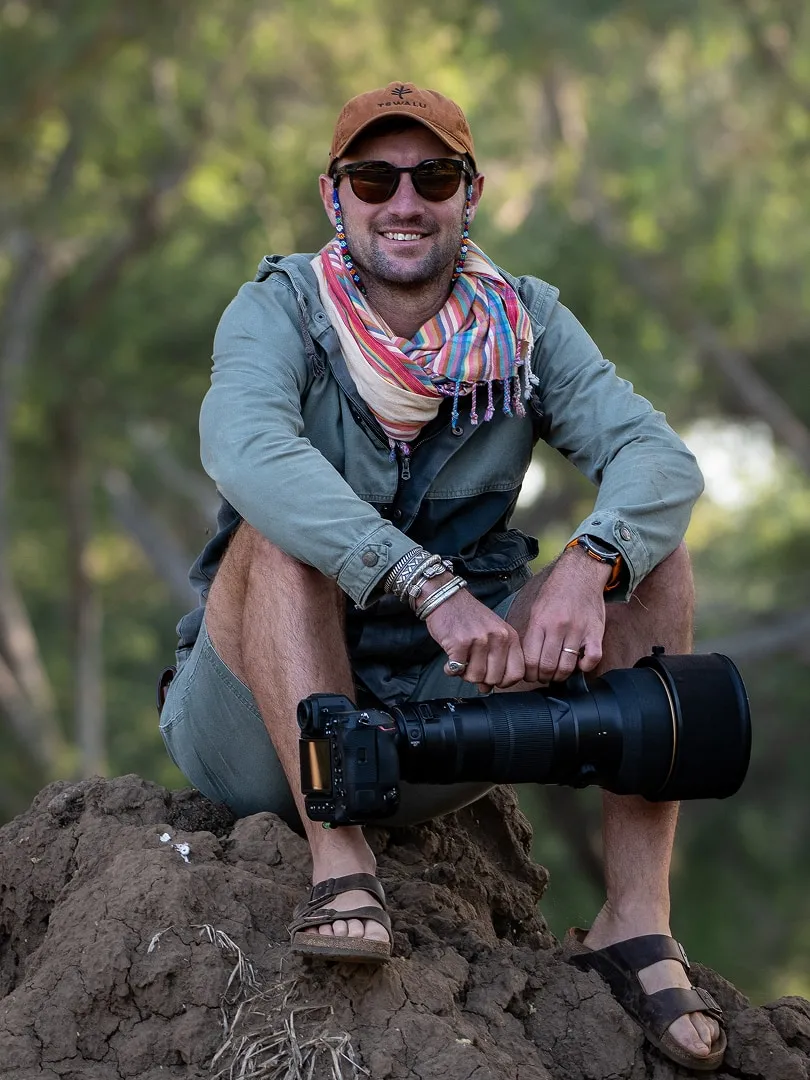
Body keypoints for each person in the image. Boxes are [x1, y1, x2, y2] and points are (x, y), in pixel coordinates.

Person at [158, 82, 725, 1071]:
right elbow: (244, 448)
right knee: (279, 530)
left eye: (435, 176)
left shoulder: (530, 321)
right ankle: (340, 863)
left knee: (654, 551)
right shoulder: (277, 308)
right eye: (375, 178)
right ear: (338, 199)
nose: (405, 201)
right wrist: (421, 579)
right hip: (259, 729)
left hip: (448, 709)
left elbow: (660, 459)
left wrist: (591, 562)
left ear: (472, 194)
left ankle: (637, 920)